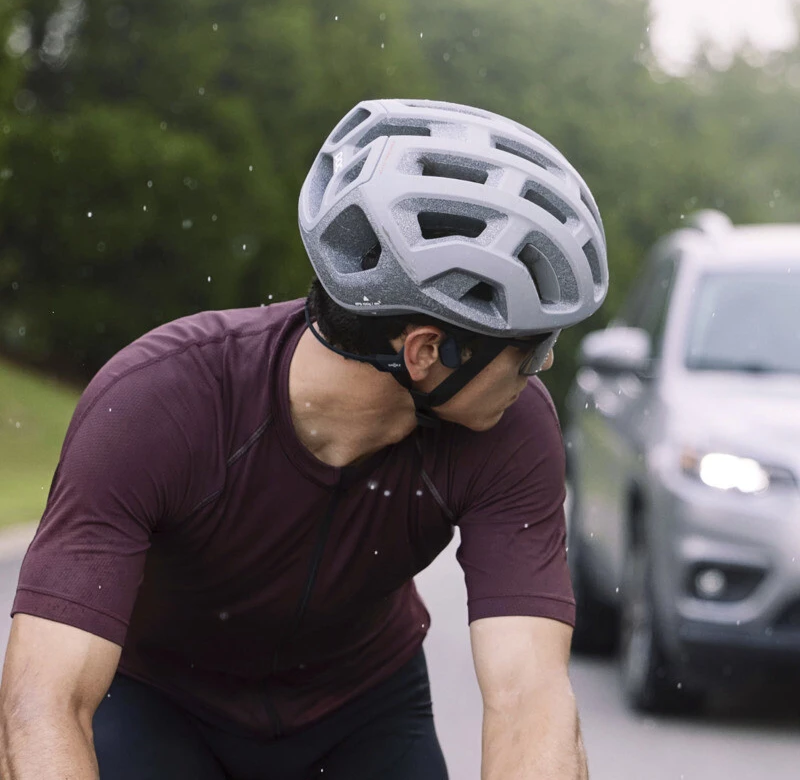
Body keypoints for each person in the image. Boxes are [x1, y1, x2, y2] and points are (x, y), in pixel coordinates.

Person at [0, 99, 608, 780]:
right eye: (531, 351)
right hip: (159, 705)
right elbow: (42, 705)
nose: (542, 369)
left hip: (361, 714)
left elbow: (530, 700)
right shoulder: (157, 403)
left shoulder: (513, 430)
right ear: (425, 352)